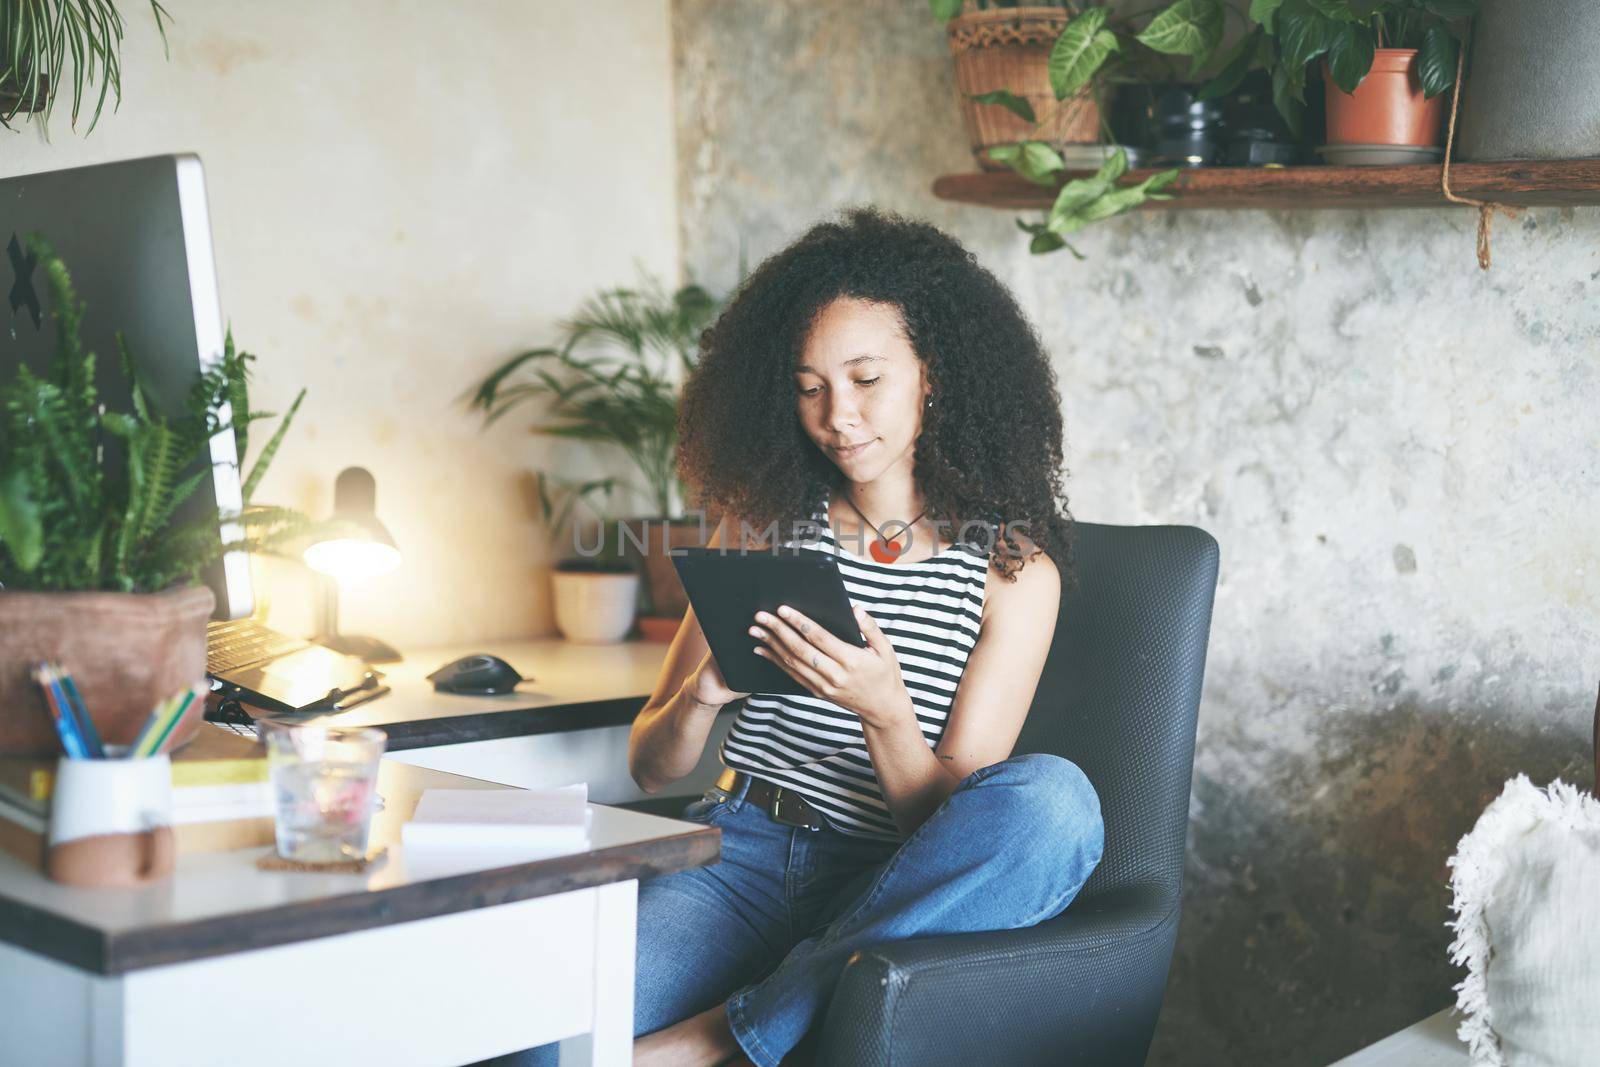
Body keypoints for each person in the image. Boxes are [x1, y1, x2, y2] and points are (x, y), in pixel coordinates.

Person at [497, 206, 1103, 1067]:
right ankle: (781, 1014)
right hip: (738, 858)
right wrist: (698, 701)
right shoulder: (761, 527)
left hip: (891, 879)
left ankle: (722, 1040)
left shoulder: (1012, 572)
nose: (838, 416)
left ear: (933, 376)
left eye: (866, 380)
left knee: (1054, 803)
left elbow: (946, 821)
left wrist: (885, 711)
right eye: (810, 387)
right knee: (529, 1042)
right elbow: (650, 765)